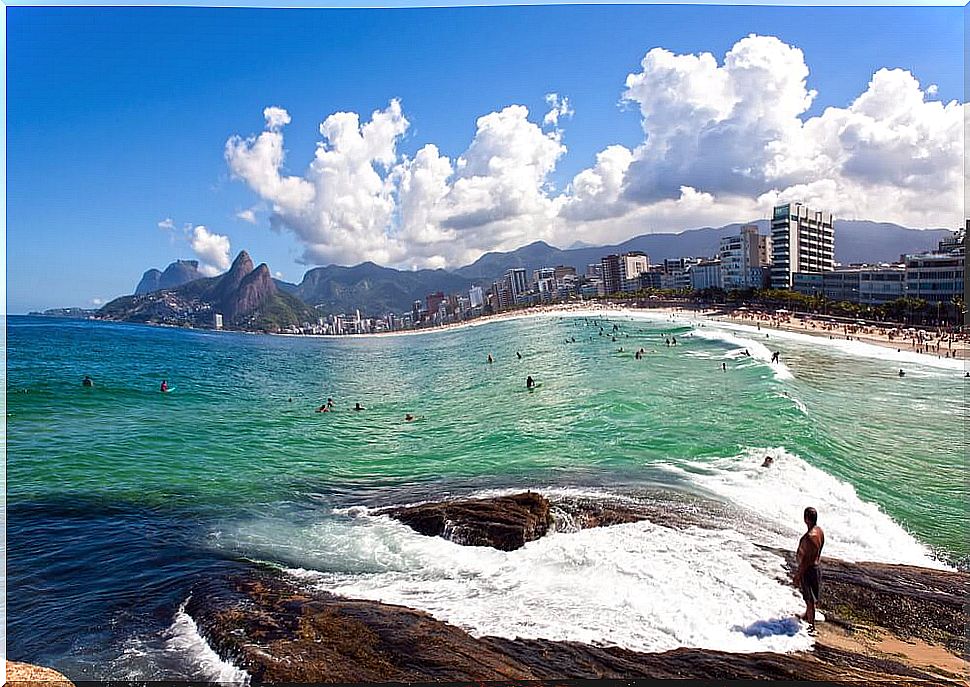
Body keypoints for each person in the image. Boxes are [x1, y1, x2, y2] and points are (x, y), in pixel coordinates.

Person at [794, 506, 825, 631]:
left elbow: (806, 561)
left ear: (806, 518)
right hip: (816, 567)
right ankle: (807, 615)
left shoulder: (809, 537)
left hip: (809, 570)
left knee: (809, 599)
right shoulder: (819, 531)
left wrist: (798, 575)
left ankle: (811, 626)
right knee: (811, 596)